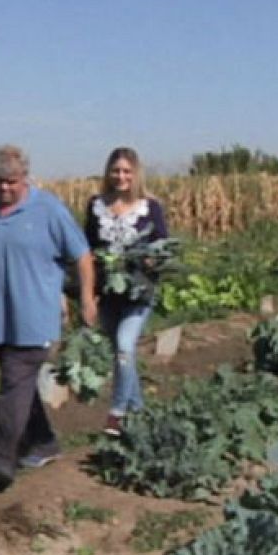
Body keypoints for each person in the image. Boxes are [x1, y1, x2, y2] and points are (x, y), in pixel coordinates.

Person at [0, 145, 97, 489]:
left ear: (25, 178)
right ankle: (44, 441)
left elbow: (82, 255)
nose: (4, 188)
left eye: (11, 182)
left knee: (14, 380)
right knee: (19, 385)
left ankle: (3, 458)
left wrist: (85, 298)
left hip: (36, 315)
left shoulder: (48, 209)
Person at [84, 147, 170, 437]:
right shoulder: (96, 206)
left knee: (124, 346)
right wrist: (87, 290)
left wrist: (150, 261)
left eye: (127, 171)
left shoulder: (150, 208)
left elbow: (164, 248)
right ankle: (139, 415)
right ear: (108, 173)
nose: (121, 176)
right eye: (116, 171)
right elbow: (88, 249)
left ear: (135, 175)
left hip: (138, 292)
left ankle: (117, 412)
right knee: (121, 355)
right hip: (108, 294)